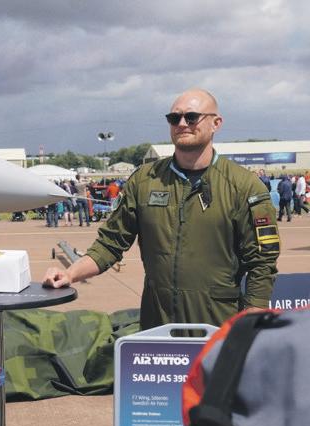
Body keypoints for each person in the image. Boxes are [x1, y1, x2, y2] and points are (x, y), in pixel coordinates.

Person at [42, 89, 279, 330]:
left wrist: (251, 322)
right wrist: (70, 274)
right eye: (174, 118)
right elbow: (110, 244)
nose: (182, 124)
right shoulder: (145, 181)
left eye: (192, 117)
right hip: (158, 326)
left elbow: (262, 263)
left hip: (218, 326)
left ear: (216, 123)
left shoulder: (243, 186)